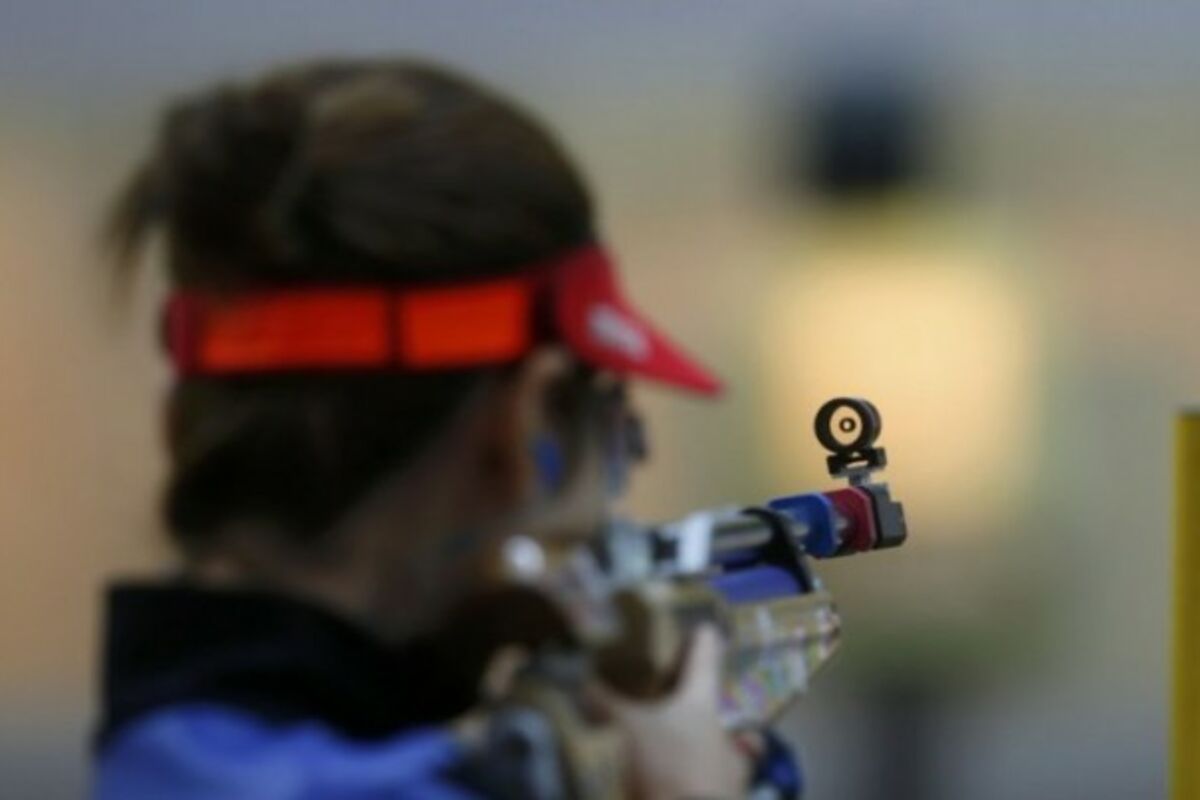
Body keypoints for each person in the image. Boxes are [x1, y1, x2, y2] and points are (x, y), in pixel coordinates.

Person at [93, 58, 763, 799]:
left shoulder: (164, 757)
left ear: (177, 424)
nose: (607, 501)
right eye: (613, 432)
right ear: (526, 422)